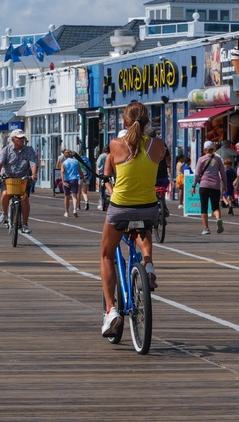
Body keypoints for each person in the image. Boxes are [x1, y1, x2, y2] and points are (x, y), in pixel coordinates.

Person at [100, 101, 166, 338]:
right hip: (148, 208)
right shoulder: (159, 145)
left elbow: (114, 173)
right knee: (143, 234)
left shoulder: (115, 145)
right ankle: (148, 265)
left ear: (125, 122)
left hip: (121, 208)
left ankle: (111, 311)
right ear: (148, 121)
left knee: (107, 255)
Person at [0, 129, 39, 234]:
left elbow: (33, 164)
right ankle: (4, 213)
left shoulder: (29, 150)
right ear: (13, 139)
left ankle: (25, 224)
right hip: (9, 178)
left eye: (23, 138)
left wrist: (33, 174)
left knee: (24, 197)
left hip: (23, 178)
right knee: (5, 193)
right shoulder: (6, 150)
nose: (21, 140)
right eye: (19, 138)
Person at [191, 141, 226, 235]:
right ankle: (218, 219)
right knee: (215, 206)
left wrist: (193, 186)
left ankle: (206, 228)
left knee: (204, 208)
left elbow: (197, 174)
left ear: (204, 149)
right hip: (215, 185)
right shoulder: (218, 160)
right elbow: (223, 173)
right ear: (213, 149)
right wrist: (225, 185)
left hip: (204, 185)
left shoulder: (201, 159)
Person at [60, 149, 81, 217]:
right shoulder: (76, 162)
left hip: (67, 180)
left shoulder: (64, 163)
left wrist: (63, 181)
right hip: (74, 179)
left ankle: (66, 211)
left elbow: (62, 172)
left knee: (66, 196)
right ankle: (75, 209)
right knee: (74, 195)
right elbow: (79, 171)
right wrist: (83, 178)